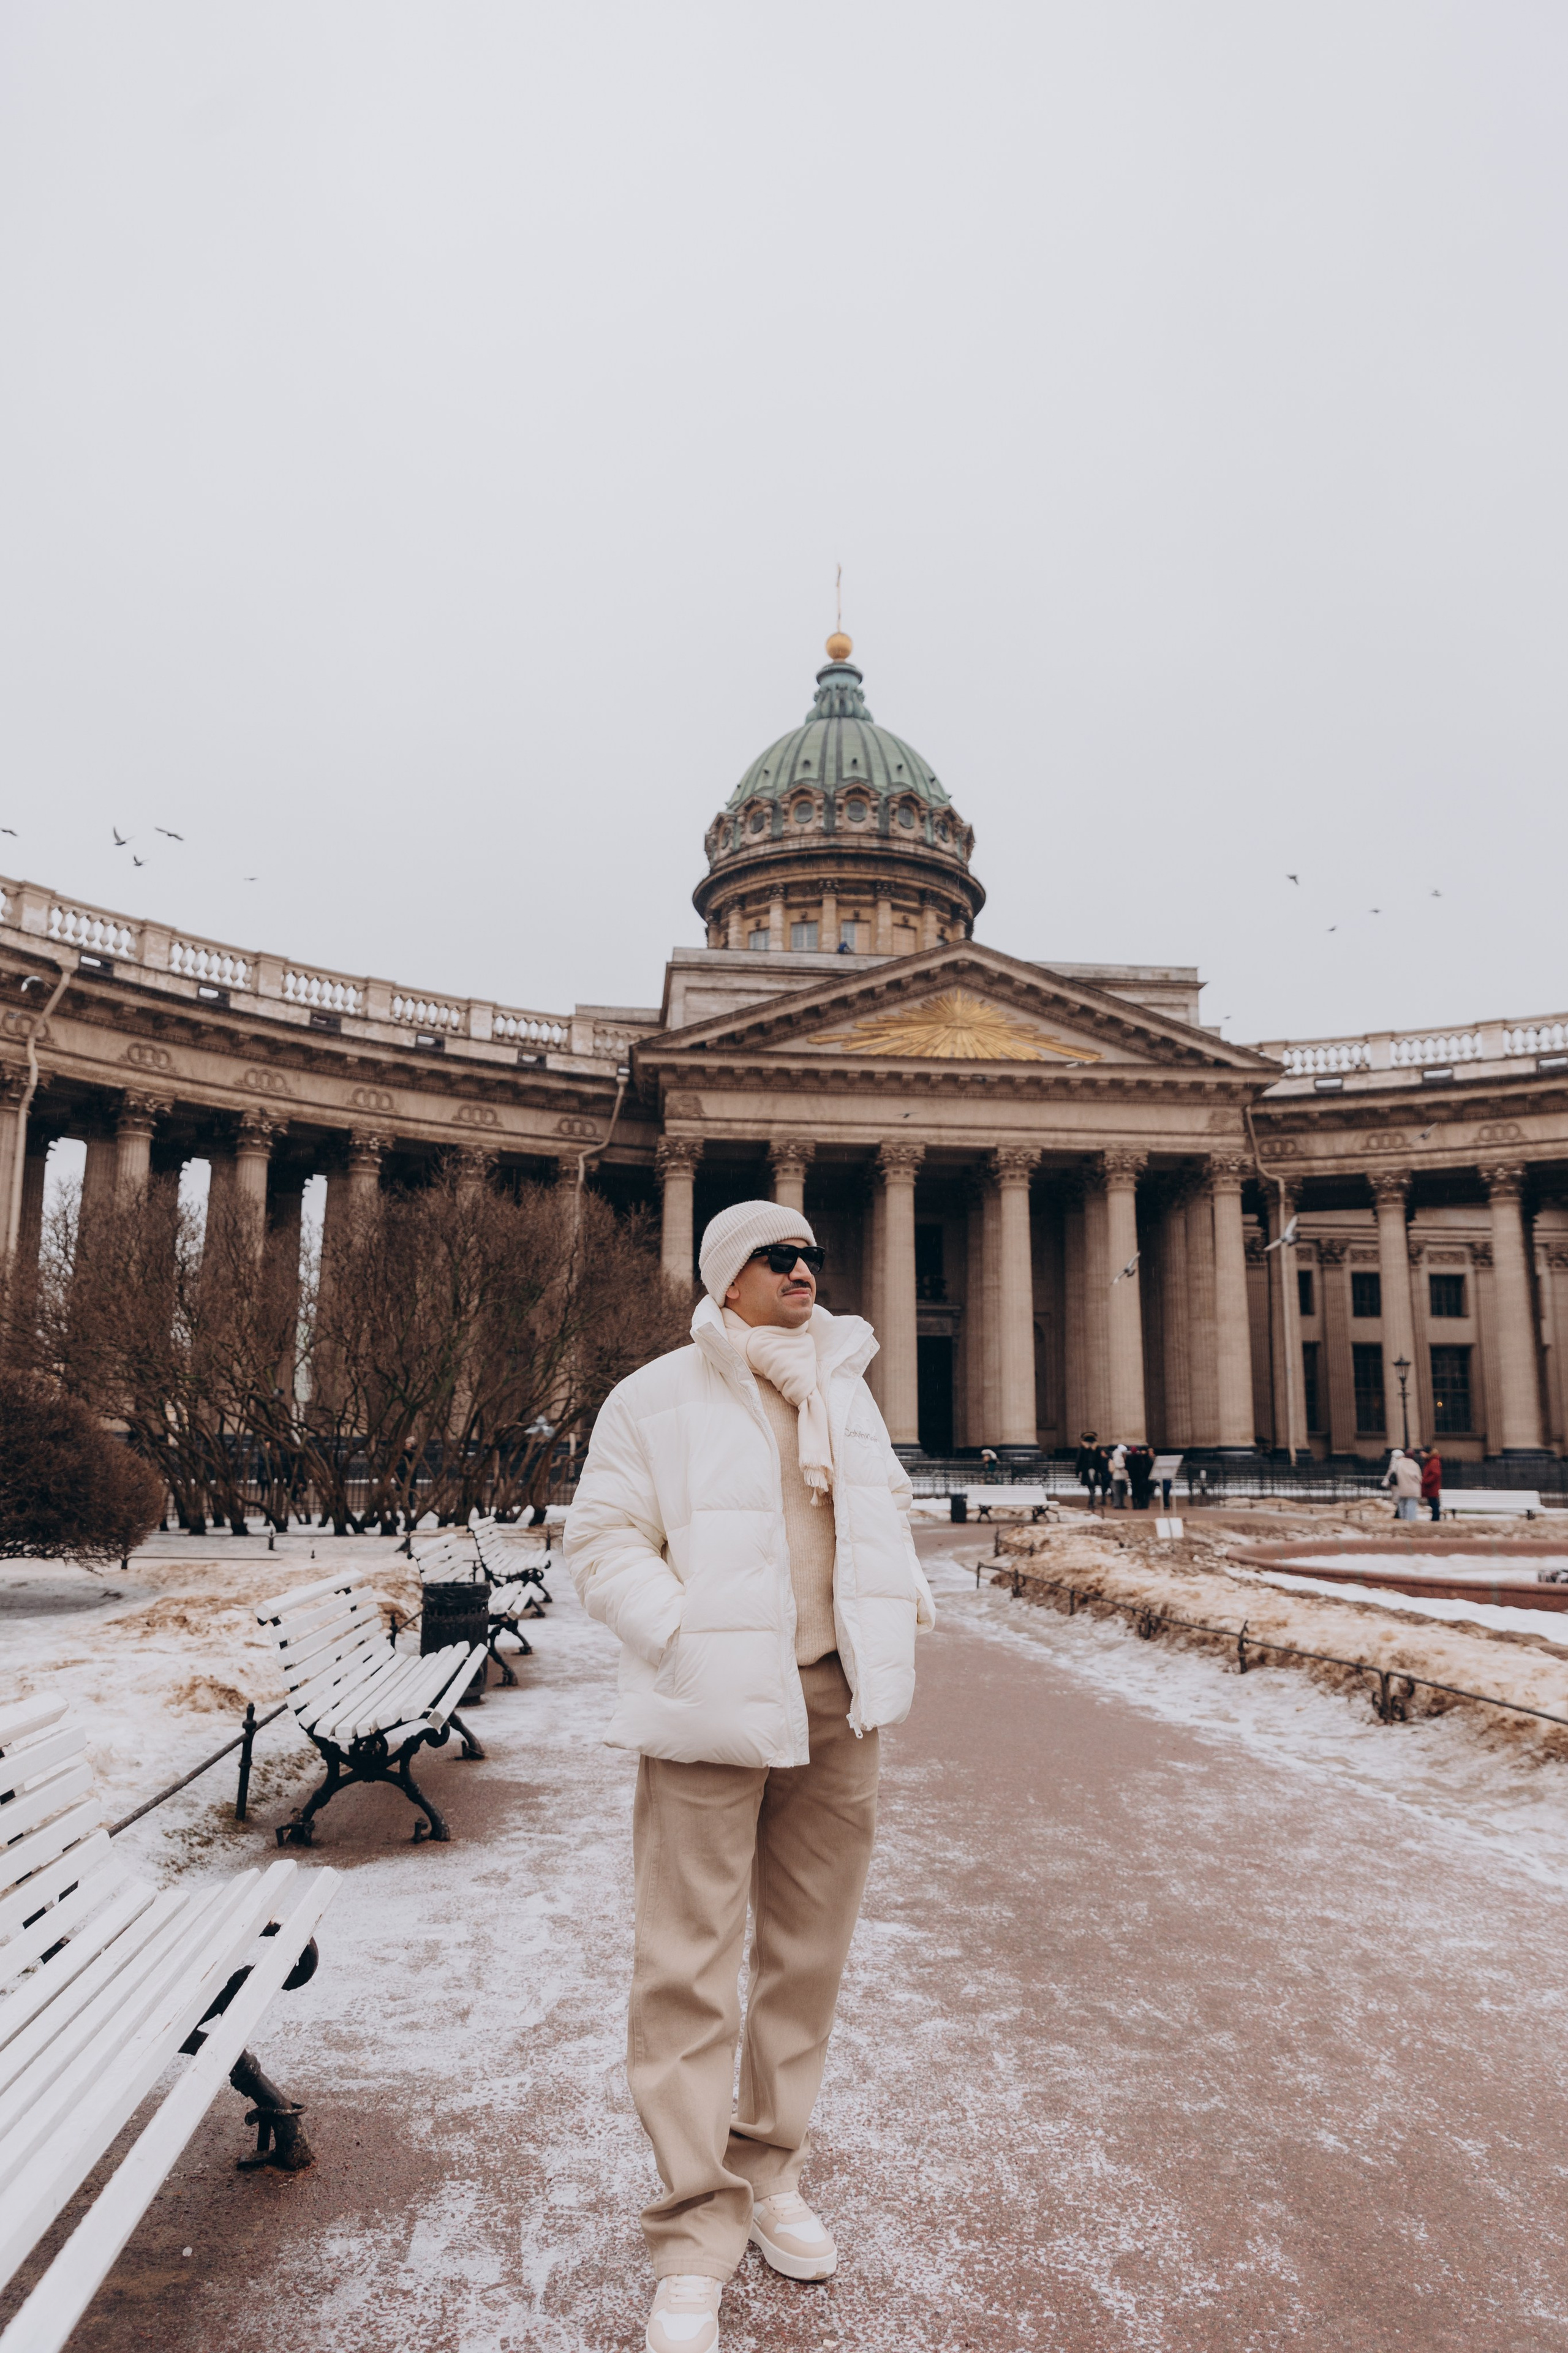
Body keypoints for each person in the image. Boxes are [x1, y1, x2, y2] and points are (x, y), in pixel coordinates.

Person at [567, 1201, 937, 2353]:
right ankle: (693, 2230)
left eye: (811, 1255)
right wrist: (682, 1637)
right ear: (727, 1278)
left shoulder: (845, 1388)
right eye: (780, 1257)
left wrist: (902, 1606)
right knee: (685, 1967)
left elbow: (882, 1511)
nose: (803, 1270)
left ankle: (770, 2169)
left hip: (837, 1701)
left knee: (806, 1957)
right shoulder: (653, 1396)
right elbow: (601, 1541)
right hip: (711, 1708)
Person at [1382, 1447, 1422, 1521]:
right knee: (1411, 1505)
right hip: (1413, 1489)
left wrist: (1385, 1484)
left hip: (1402, 1488)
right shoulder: (1415, 1465)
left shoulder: (1398, 1464)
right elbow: (1419, 1478)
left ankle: (1403, 1519)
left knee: (1402, 1505)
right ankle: (1411, 1520)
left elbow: (1392, 1473)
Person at [1073, 1431, 1101, 1512]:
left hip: (1086, 1469)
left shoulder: (1082, 1448)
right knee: (1092, 1485)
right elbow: (1100, 1460)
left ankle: (1092, 1501)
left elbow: (1079, 1460)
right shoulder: (1097, 1448)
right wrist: (1101, 1470)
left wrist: (1077, 1471)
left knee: (1090, 1485)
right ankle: (1092, 1501)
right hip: (1095, 1469)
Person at [1126, 1443, 1155, 1512]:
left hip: (1146, 1478)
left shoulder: (1147, 1459)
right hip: (1139, 1478)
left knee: (1146, 1492)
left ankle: (1144, 1504)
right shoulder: (1138, 1458)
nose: (1143, 1452)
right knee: (1140, 1492)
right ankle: (1140, 1504)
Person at [1420, 1445, 1443, 1523]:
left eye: (1423, 1453)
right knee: (1432, 1502)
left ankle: (1436, 1518)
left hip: (1432, 1486)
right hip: (1431, 1486)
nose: (1421, 1455)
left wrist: (1426, 1481)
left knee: (1434, 1502)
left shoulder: (1433, 1462)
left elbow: (1436, 1474)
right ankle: (1435, 1517)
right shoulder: (1431, 1461)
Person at [1109, 1441, 1129, 1509]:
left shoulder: (1119, 1456)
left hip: (1121, 1476)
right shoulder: (1117, 1457)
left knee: (1121, 1492)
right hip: (1118, 1476)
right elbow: (1117, 1465)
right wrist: (1124, 1464)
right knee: (1118, 1491)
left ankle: (1121, 1504)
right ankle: (1117, 1504)